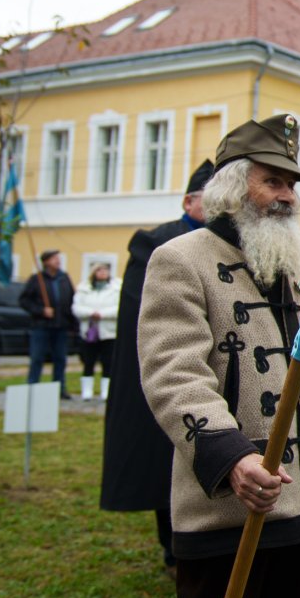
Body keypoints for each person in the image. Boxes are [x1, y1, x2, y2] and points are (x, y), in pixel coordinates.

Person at [138, 114, 300, 598]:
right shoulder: (180, 259)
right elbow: (172, 372)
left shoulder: (298, 266)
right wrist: (231, 457)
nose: (286, 196)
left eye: (291, 185)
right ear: (233, 186)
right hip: (231, 504)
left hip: (297, 501)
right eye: (271, 181)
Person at [101, 159, 212, 574]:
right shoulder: (155, 243)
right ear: (189, 201)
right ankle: (173, 546)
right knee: (164, 460)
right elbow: (144, 317)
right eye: (210, 197)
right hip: (171, 370)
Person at [18, 250, 77, 395]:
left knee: (60, 358)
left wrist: (71, 321)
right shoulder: (36, 279)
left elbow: (71, 298)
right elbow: (24, 300)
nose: (58, 261)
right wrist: (40, 310)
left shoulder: (64, 278)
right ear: (46, 262)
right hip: (41, 326)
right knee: (38, 357)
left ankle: (59, 388)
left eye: (58, 258)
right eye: (54, 258)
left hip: (61, 325)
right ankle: (32, 386)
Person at [72, 262, 121, 401]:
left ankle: (106, 391)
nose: (103, 272)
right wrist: (90, 313)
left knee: (108, 362)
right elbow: (76, 307)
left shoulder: (116, 289)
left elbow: (119, 307)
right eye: (99, 270)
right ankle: (87, 391)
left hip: (109, 331)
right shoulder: (84, 288)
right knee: (88, 361)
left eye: (105, 269)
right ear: (94, 272)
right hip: (90, 331)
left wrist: (103, 314)